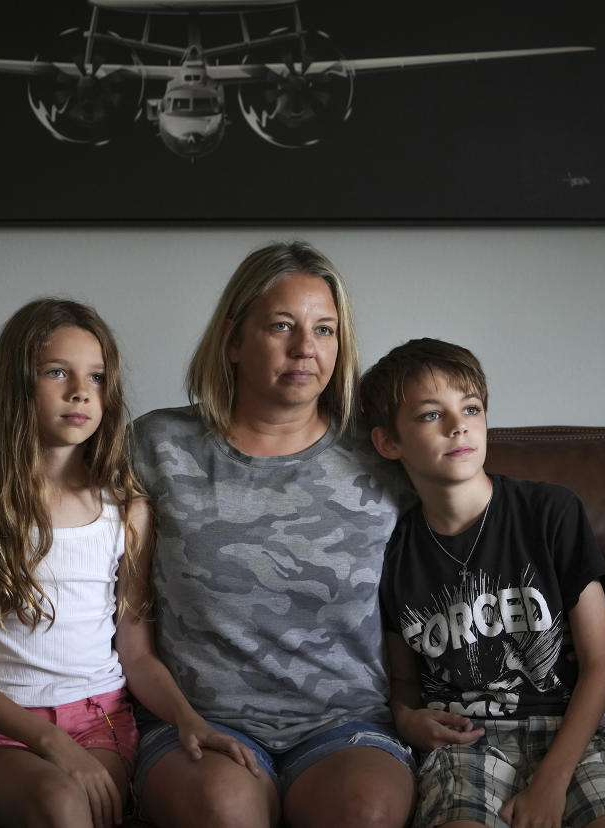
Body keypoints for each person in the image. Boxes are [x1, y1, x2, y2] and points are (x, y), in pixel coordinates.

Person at [0, 298, 257, 828]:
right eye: (57, 372)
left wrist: (187, 719)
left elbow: (137, 651)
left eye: (97, 377)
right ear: (18, 385)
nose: (81, 391)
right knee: (58, 802)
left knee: (78, 806)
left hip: (98, 720)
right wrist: (49, 741)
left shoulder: (126, 510)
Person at [130, 242, 418, 827]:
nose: (305, 348)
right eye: (281, 326)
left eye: (325, 329)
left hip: (347, 724)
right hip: (197, 721)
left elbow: (466, 560)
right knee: (225, 811)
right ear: (234, 340)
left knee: (365, 812)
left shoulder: (387, 456)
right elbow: (62, 564)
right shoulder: (155, 447)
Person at [360, 338, 605, 828]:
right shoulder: (392, 551)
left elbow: (601, 664)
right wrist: (408, 719)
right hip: (465, 744)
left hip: (573, 735)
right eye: (432, 415)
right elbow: (405, 681)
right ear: (388, 442)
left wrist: (551, 783)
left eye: (471, 407)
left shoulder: (550, 513)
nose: (460, 426)